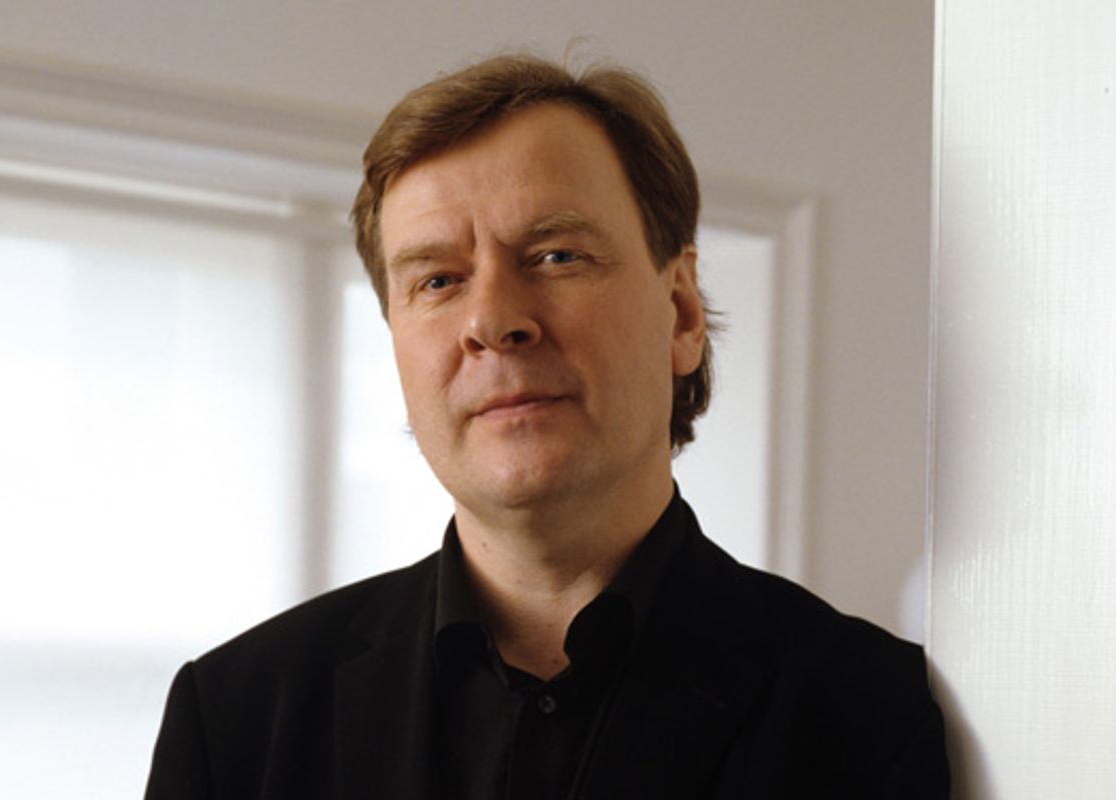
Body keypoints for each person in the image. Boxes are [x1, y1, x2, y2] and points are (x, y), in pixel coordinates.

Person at [144, 54, 949, 799]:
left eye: (555, 255)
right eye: (437, 280)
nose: (492, 321)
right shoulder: (235, 719)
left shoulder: (867, 712)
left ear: (680, 313)